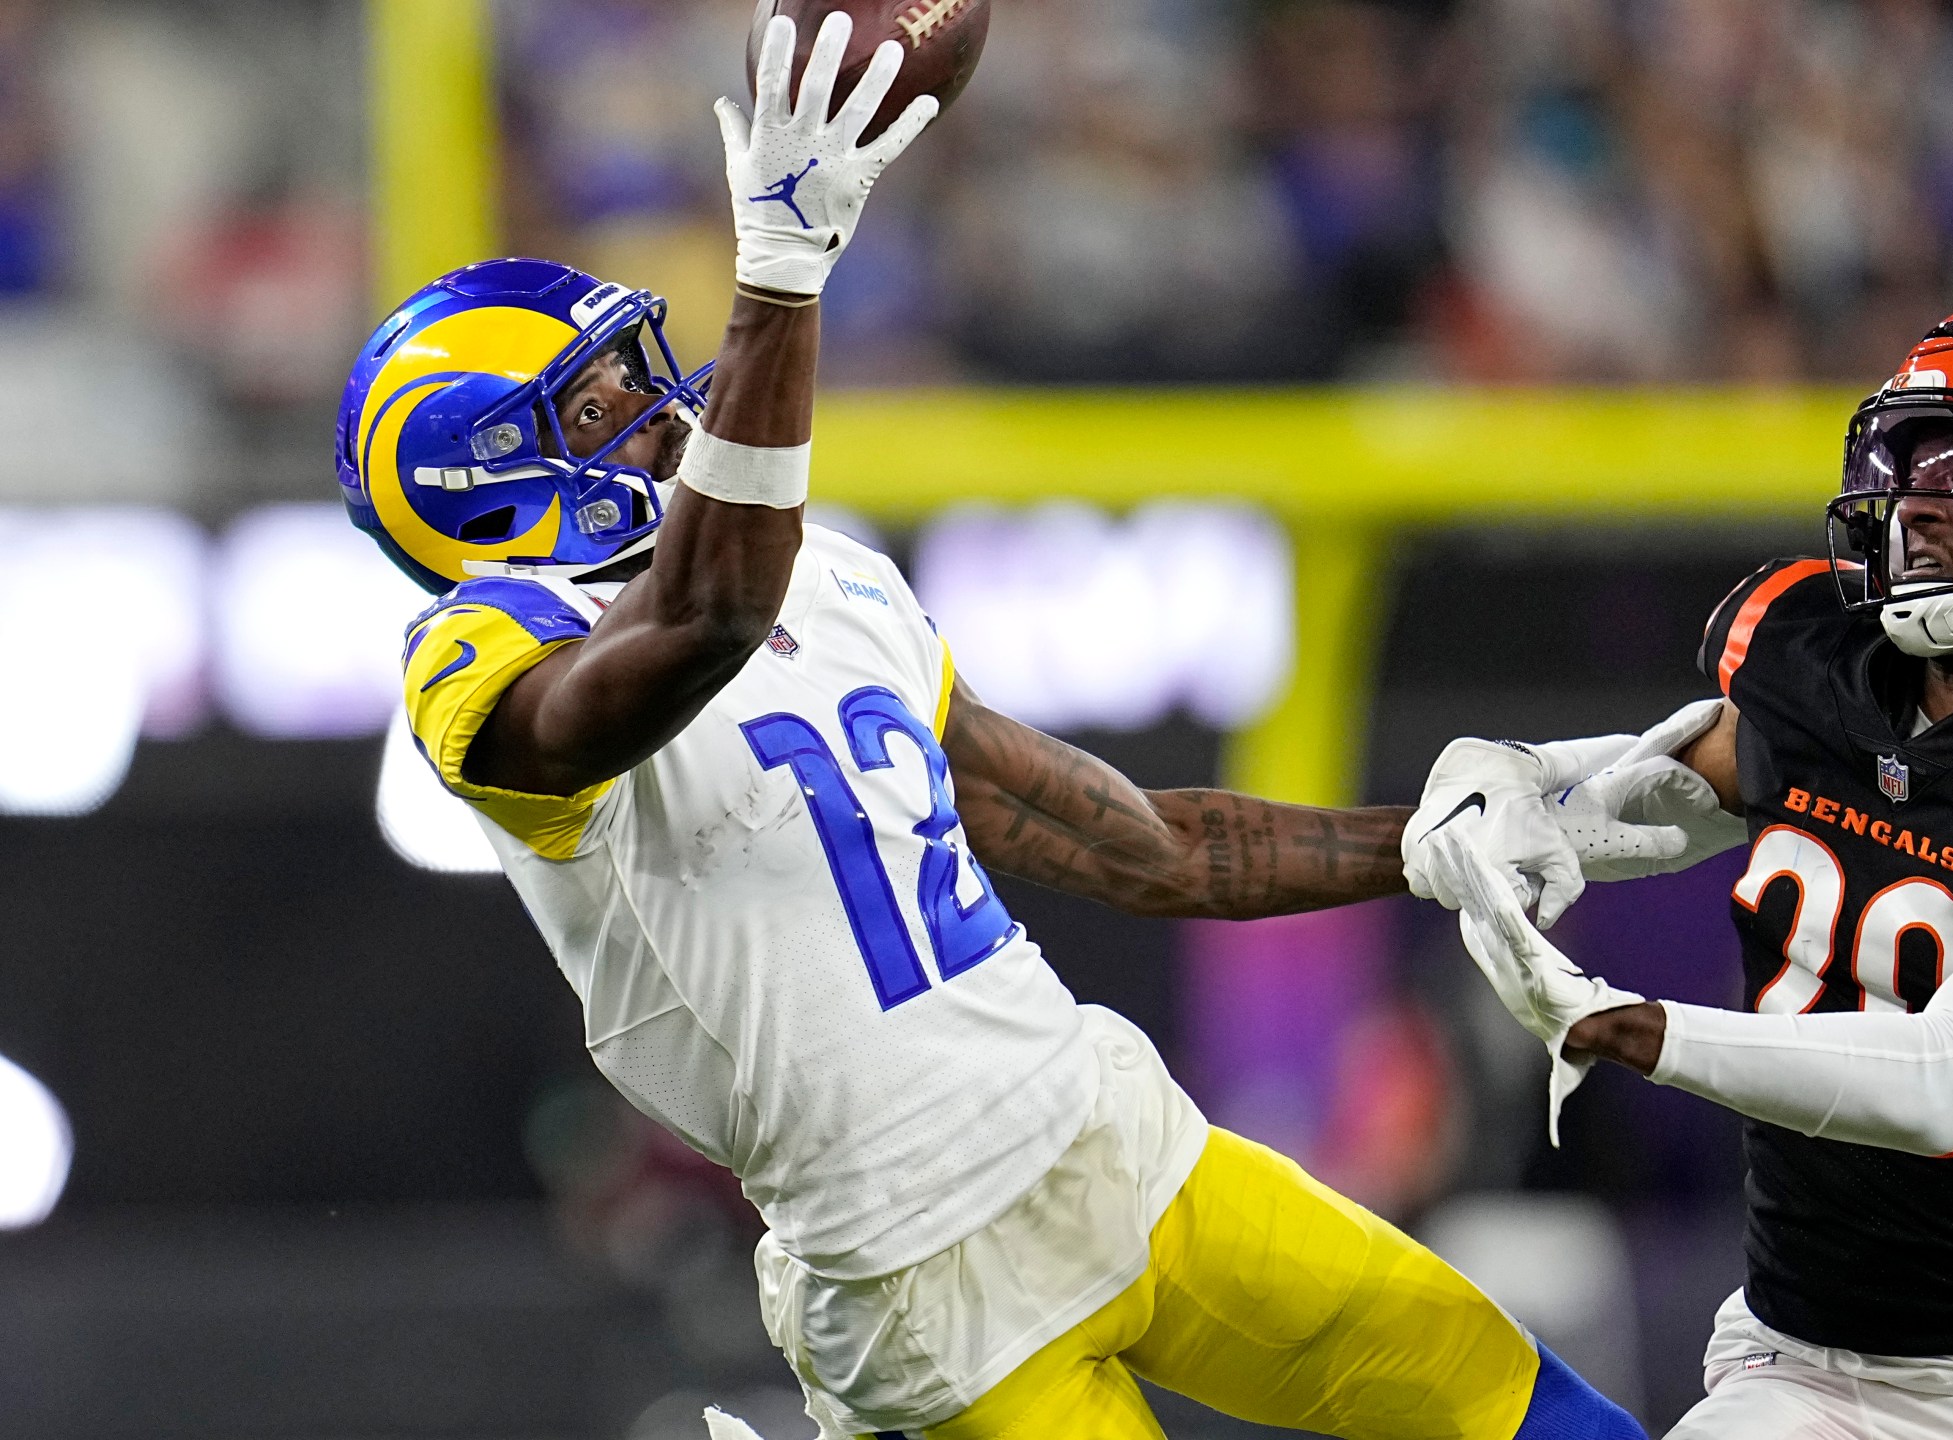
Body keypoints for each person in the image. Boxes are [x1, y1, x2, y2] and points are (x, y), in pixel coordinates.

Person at [336, 18, 1651, 1440]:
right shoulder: (475, 661)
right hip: (919, 1278)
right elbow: (699, 624)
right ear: (475, 486)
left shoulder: (827, 574)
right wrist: (783, 271)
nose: (660, 415)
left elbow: (1147, 847)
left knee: (1518, 1406)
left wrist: (1439, 847)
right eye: (597, 409)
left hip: (1108, 1138)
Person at [1406, 293, 1953, 1440]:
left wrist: (1624, 1026)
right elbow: (1609, 811)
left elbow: (1949, 1075)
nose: (1919, 501)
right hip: (1799, 1376)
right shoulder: (1820, 670)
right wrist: (1502, 782)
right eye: (1912, 457)